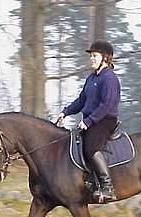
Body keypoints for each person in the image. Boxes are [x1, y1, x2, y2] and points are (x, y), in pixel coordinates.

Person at [56, 40, 120, 202]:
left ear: (105, 58)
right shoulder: (91, 78)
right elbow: (81, 100)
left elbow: (107, 104)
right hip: (92, 120)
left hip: (105, 120)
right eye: (91, 56)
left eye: (94, 56)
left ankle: (107, 187)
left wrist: (89, 121)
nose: (91, 59)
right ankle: (91, 181)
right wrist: (65, 112)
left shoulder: (109, 78)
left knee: (90, 147)